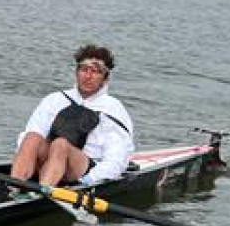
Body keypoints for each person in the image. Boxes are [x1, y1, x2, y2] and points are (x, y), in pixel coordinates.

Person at [8, 44, 136, 187]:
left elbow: (116, 160)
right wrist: (27, 159)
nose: (88, 76)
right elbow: (27, 141)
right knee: (32, 136)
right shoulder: (54, 100)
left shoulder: (113, 109)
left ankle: (44, 191)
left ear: (105, 78)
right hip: (48, 162)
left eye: (96, 71)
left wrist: (87, 181)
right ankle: (14, 186)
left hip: (83, 170)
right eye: (84, 69)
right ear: (76, 72)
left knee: (60, 144)